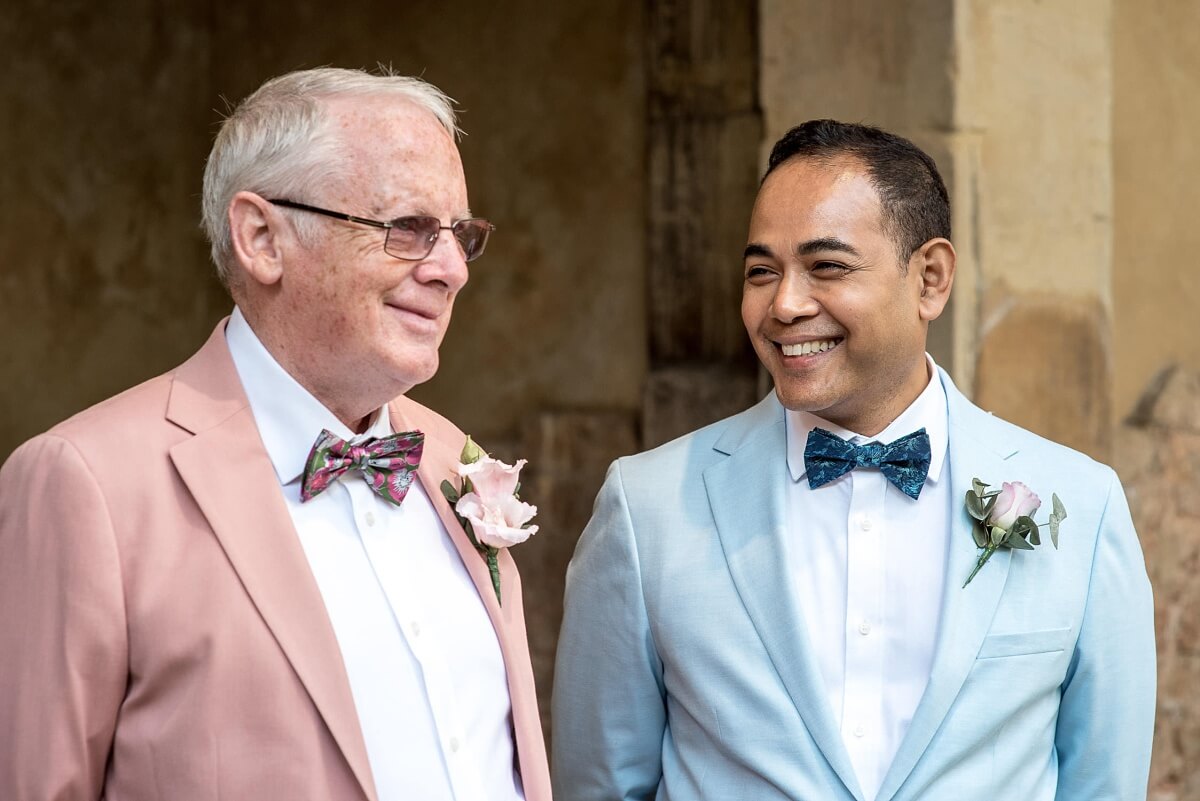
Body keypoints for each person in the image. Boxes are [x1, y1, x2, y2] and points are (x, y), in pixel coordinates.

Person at [552, 119, 1155, 801]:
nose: (784, 304)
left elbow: (1105, 781)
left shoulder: (1080, 502)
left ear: (930, 278)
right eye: (761, 272)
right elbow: (599, 783)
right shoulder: (646, 507)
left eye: (827, 266)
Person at [0, 67, 550, 801]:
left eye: (460, 234)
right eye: (408, 228)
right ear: (261, 238)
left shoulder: (453, 460)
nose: (452, 269)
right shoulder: (85, 482)